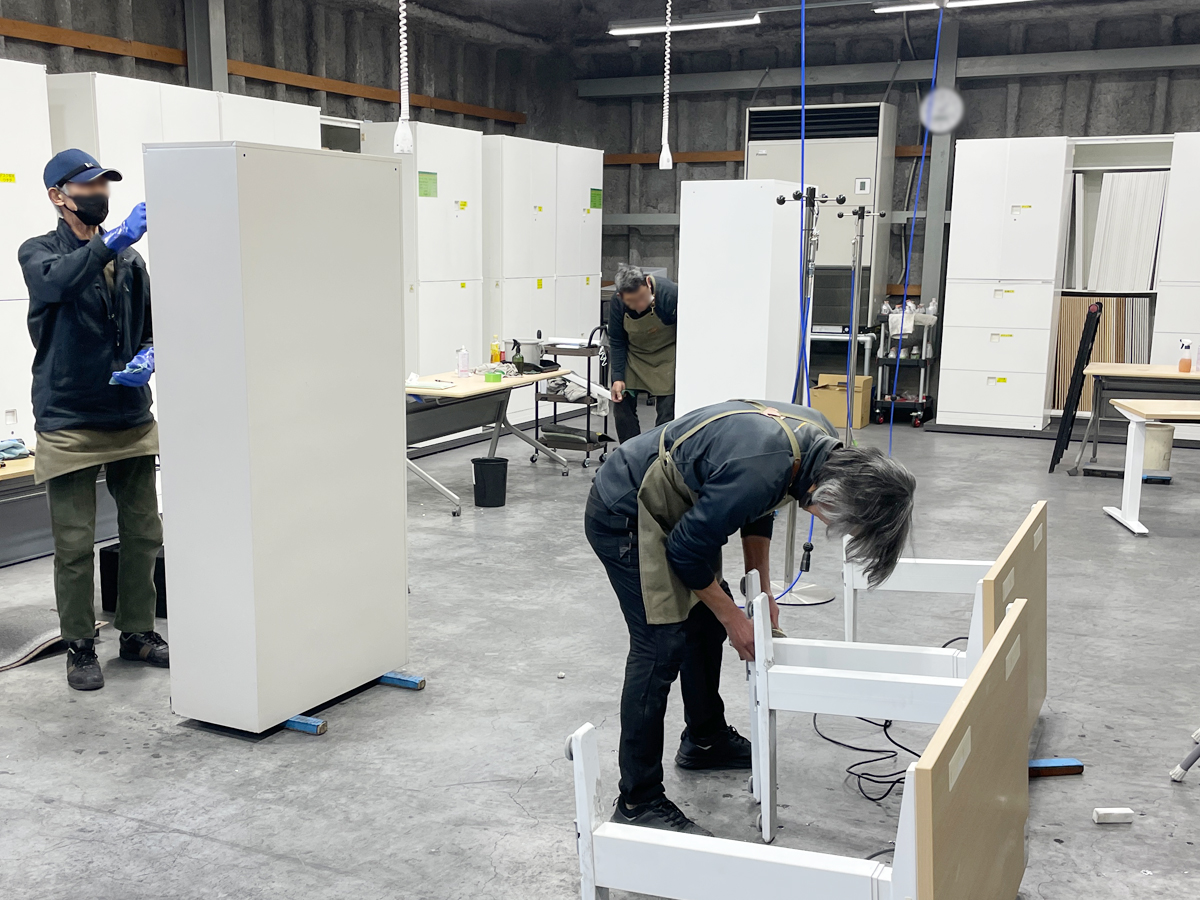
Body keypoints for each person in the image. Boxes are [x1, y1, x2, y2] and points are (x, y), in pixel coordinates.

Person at [584, 399, 916, 834]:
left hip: (681, 512)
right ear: (833, 494)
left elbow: (761, 506)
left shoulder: (816, 446)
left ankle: (705, 741)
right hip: (626, 511)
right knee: (659, 646)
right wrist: (735, 620)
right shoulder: (762, 466)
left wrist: (761, 590)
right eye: (840, 523)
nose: (833, 528)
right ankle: (637, 801)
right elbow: (685, 550)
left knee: (703, 622)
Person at [19, 149, 167, 692]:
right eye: (87, 186)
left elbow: (151, 325)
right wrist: (113, 240)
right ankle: (79, 644)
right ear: (58, 196)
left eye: (104, 184)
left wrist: (149, 354)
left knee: (144, 532)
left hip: (129, 414)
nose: (99, 193)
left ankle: (138, 632)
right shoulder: (39, 252)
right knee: (75, 542)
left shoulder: (131, 263)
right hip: (69, 417)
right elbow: (56, 284)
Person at [608, 263, 678, 444]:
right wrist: (617, 377)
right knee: (621, 405)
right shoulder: (617, 304)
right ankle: (631, 452)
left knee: (667, 411)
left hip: (667, 356)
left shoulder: (670, 294)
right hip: (634, 357)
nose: (639, 305)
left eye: (642, 297)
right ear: (620, 296)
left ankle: (660, 452)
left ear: (647, 283)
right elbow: (617, 341)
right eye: (631, 301)